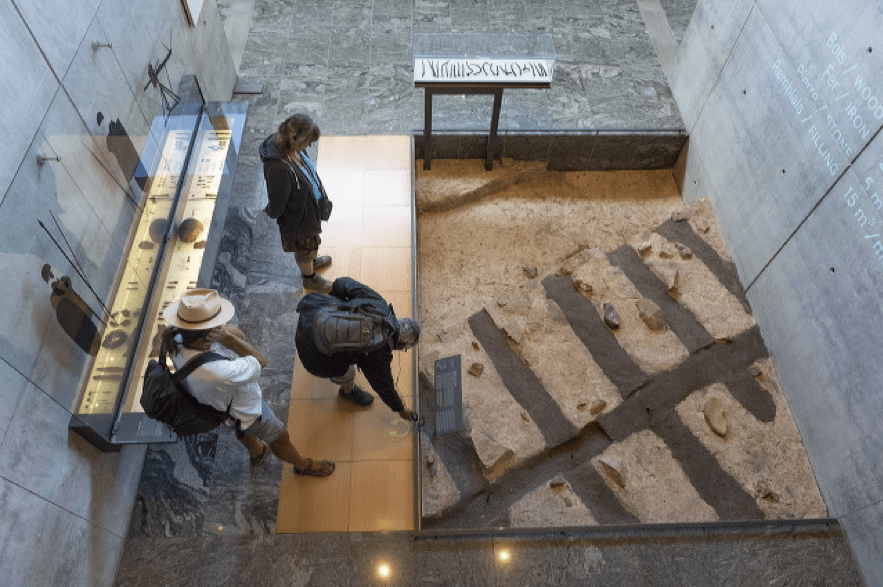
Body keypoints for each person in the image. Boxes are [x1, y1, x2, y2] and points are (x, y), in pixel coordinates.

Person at [162, 288, 335, 477]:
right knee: (279, 436)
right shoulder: (217, 372)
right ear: (207, 333)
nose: (222, 324)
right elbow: (260, 361)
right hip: (245, 408)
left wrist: (222, 333)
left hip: (216, 405)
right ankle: (303, 466)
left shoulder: (177, 337)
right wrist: (227, 338)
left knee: (239, 426)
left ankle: (257, 453)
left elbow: (240, 335)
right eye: (217, 322)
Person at [295, 277, 419, 420]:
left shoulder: (380, 303)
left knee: (339, 302)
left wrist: (340, 308)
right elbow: (385, 388)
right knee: (348, 372)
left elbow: (342, 283)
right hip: (310, 354)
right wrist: (400, 409)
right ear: (401, 345)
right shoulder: (380, 355)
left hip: (311, 309)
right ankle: (348, 392)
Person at [260, 113, 333, 293]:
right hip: (299, 218)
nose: (309, 146)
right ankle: (309, 277)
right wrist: (271, 211)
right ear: (295, 139)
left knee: (310, 247)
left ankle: (311, 261)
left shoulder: (291, 147)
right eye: (307, 142)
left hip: (307, 209)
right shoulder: (278, 168)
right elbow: (277, 203)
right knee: (304, 249)